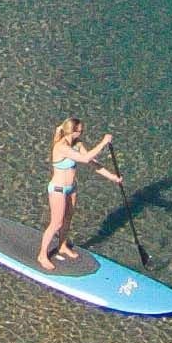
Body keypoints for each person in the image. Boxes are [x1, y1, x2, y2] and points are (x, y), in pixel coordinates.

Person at [38, 116, 123, 271]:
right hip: (58, 189)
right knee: (56, 223)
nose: (82, 133)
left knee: (68, 218)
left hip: (72, 188)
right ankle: (42, 255)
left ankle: (62, 245)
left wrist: (112, 177)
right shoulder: (61, 146)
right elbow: (85, 159)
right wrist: (103, 142)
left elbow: (93, 163)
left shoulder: (78, 144)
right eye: (81, 130)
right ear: (74, 131)